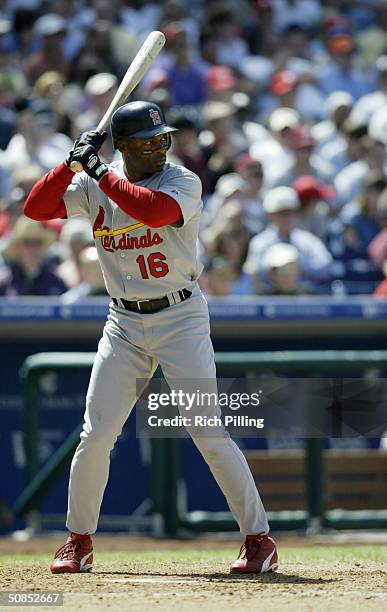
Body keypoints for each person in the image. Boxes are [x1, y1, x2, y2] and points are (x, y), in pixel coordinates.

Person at [23, 101, 278, 575]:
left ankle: (258, 538)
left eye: (164, 139)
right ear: (123, 147)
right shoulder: (97, 181)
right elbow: (36, 208)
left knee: (206, 430)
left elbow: (154, 212)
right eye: (147, 143)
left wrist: (97, 170)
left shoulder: (181, 180)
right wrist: (68, 164)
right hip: (122, 322)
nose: (160, 149)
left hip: (180, 315)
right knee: (96, 434)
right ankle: (78, 539)